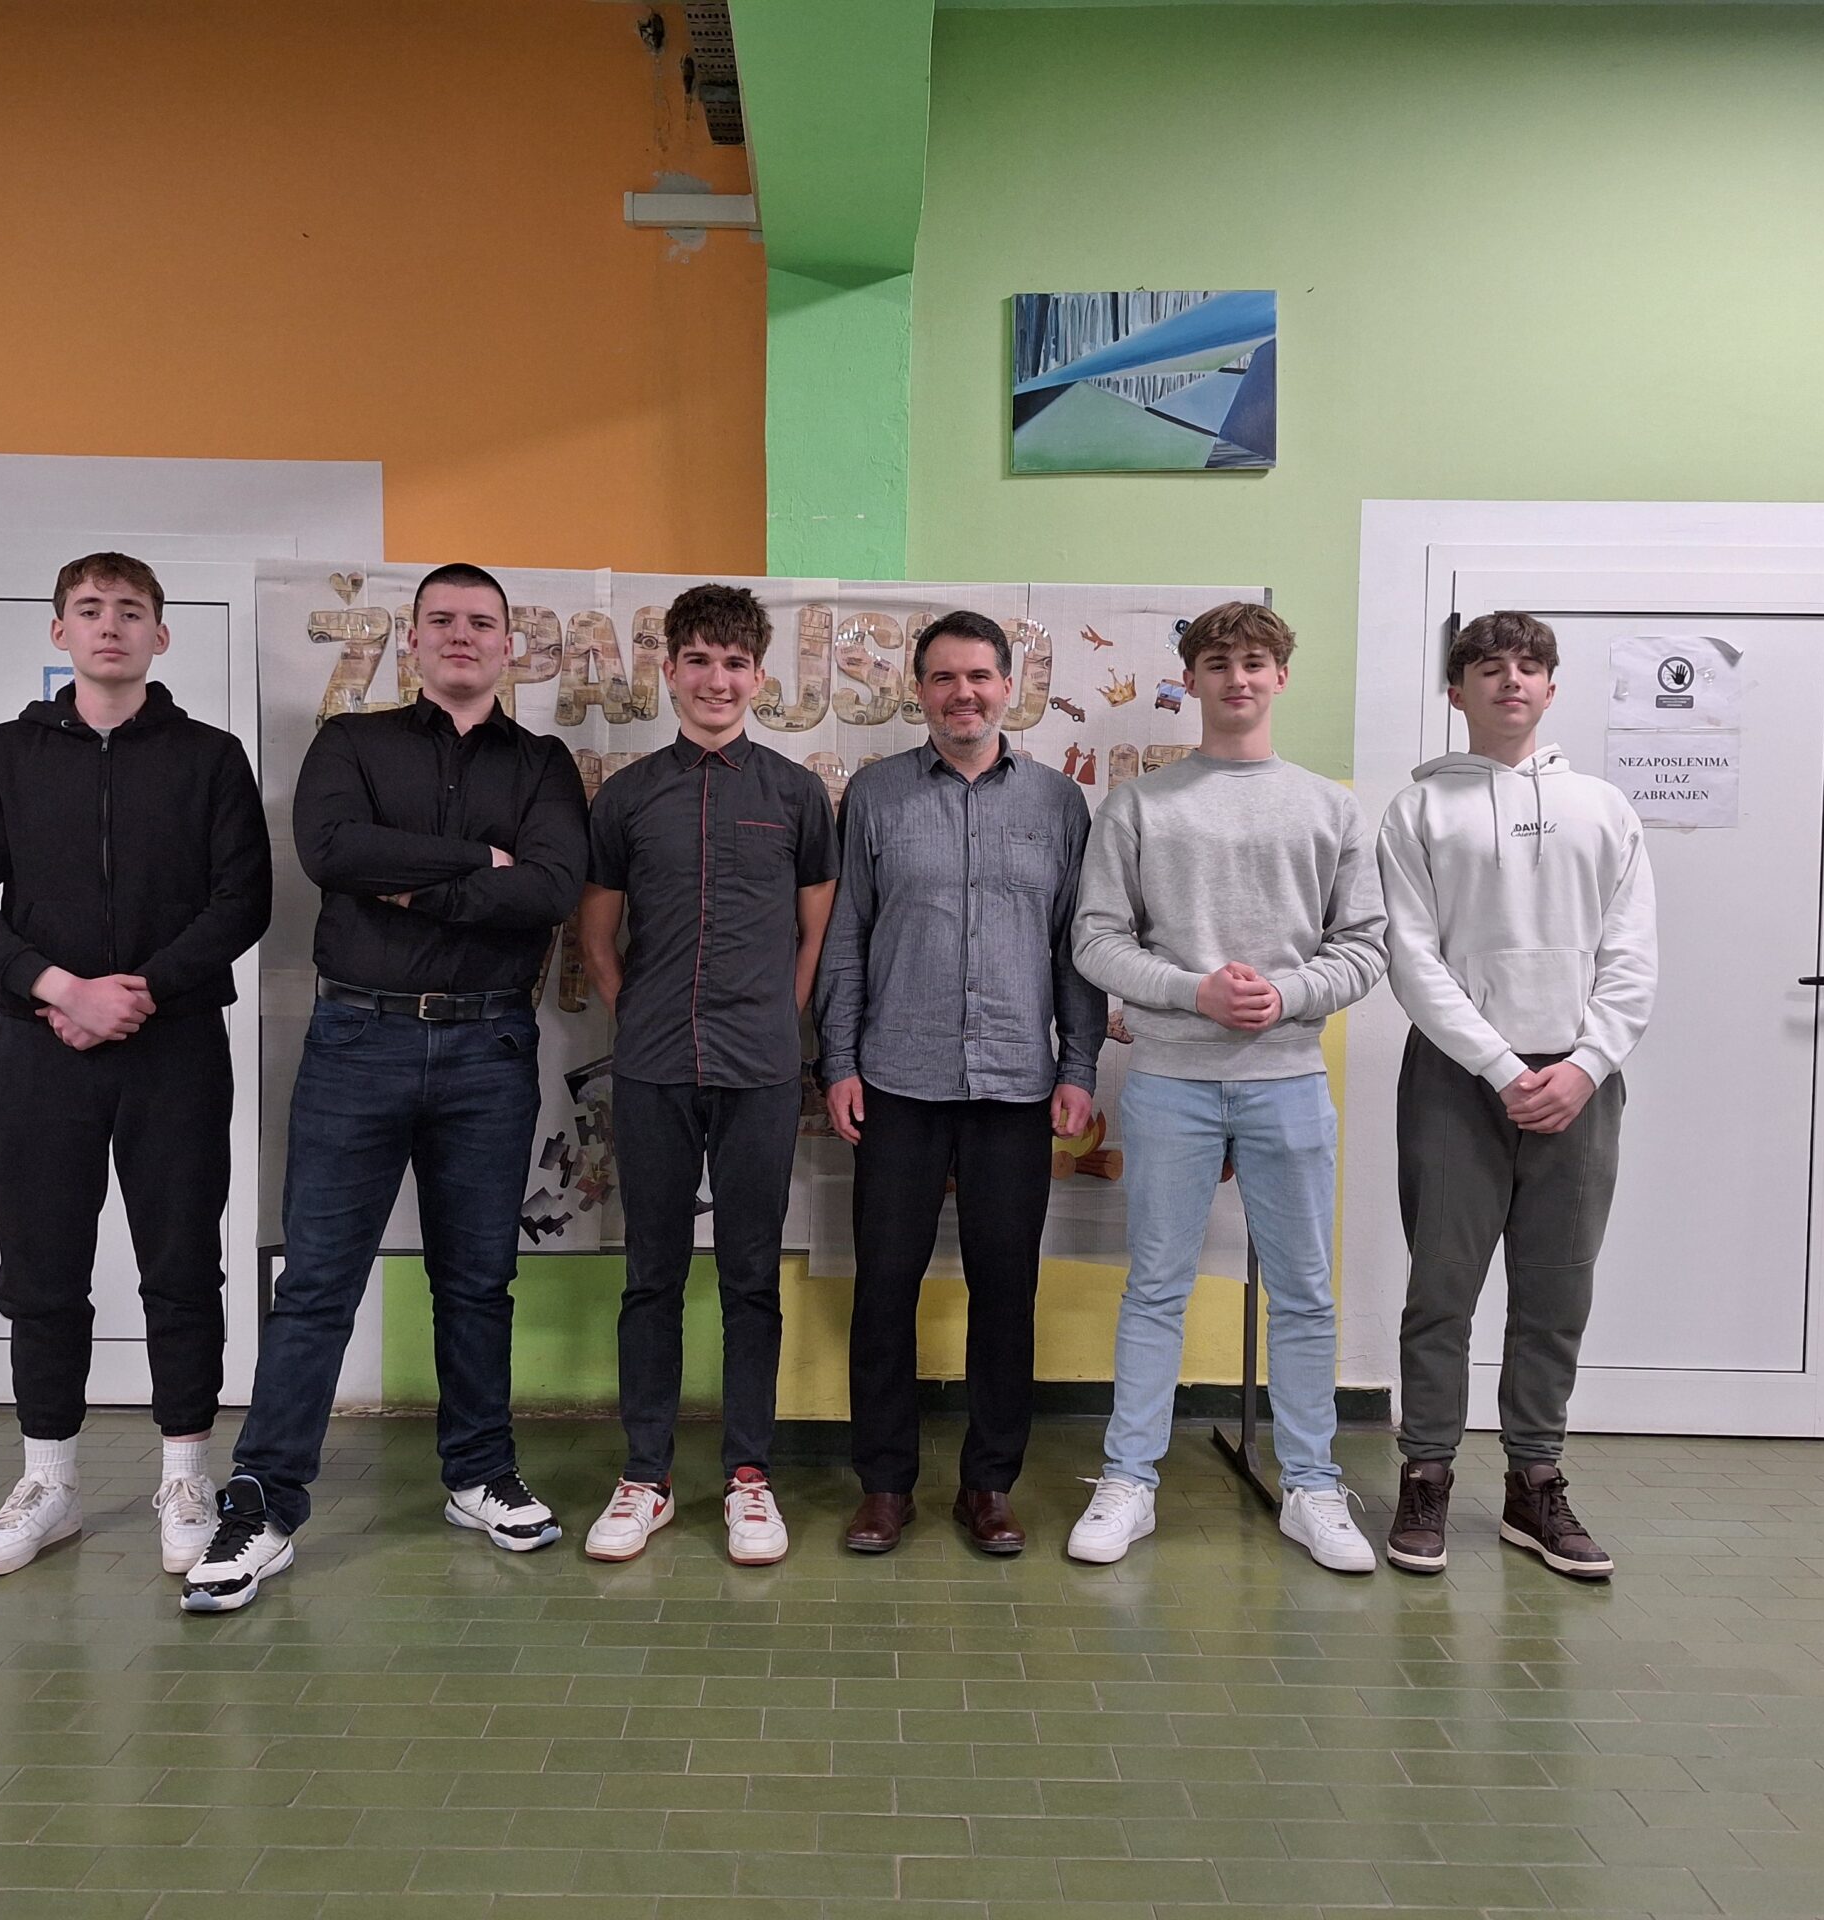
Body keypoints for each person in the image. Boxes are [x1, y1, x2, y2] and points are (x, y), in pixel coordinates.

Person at [183, 563, 586, 1612]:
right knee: (318, 1282)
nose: (461, 635)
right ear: (411, 640)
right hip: (356, 1040)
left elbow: (549, 888)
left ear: (510, 646)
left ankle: (479, 1473)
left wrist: (414, 884)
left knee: (476, 1280)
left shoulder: (542, 764)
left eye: (482, 622)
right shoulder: (351, 743)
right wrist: (478, 863)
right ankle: (263, 1504)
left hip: (489, 1047)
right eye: (441, 620)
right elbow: (331, 851)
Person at [0, 552, 270, 1579]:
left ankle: (186, 1477)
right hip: (38, 1058)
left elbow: (242, 902)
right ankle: (51, 1483)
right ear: (60, 632)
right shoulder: (5, 755)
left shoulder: (211, 758)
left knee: (182, 1268)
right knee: (42, 1273)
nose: (110, 625)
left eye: (130, 611)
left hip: (176, 1055)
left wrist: (140, 992)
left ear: (161, 635)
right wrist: (60, 990)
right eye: (89, 609)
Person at [1064, 601, 1388, 1571]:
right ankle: (1129, 1481)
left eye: (1253, 662)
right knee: (1155, 1287)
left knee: (1304, 1293)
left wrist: (1286, 994)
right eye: (1217, 663)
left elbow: (1365, 947)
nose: (1236, 678)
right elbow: (1095, 941)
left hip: (1287, 1080)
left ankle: (1312, 1486)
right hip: (1170, 1079)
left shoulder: (1330, 808)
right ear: (1191, 679)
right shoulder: (1139, 805)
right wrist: (1193, 991)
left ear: (1279, 676)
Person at [815, 610, 1105, 1557]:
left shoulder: (1059, 804)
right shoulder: (876, 795)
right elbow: (847, 936)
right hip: (898, 1080)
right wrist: (839, 1061)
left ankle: (989, 1484)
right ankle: (884, 1485)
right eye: (944, 678)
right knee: (884, 1288)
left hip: (1016, 1086)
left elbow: (1076, 947)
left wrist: (1078, 1065)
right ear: (919, 690)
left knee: (1005, 1291)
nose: (963, 694)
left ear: (1008, 687)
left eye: (980, 676)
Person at [1375, 610, 1656, 1580]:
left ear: (1551, 687)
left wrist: (1584, 1065)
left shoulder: (1604, 810)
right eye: (1488, 667)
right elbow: (1411, 957)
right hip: (1457, 1081)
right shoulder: (1418, 811)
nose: (1510, 680)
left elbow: (1630, 956)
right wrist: (1499, 1066)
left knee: (1555, 1293)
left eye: (1528, 666)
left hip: (1580, 1084)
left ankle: (1534, 1484)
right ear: (1455, 692)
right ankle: (1426, 1474)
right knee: (1440, 1291)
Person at [575, 585, 837, 1566]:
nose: (716, 680)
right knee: (651, 1274)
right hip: (652, 1069)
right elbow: (596, 935)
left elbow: (815, 932)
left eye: (734, 663)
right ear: (670, 670)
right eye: (698, 660)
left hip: (759, 1069)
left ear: (758, 677)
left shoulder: (796, 794)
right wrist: (633, 1012)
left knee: (750, 1276)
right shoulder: (628, 796)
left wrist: (778, 1020)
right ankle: (644, 1477)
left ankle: (748, 1477)